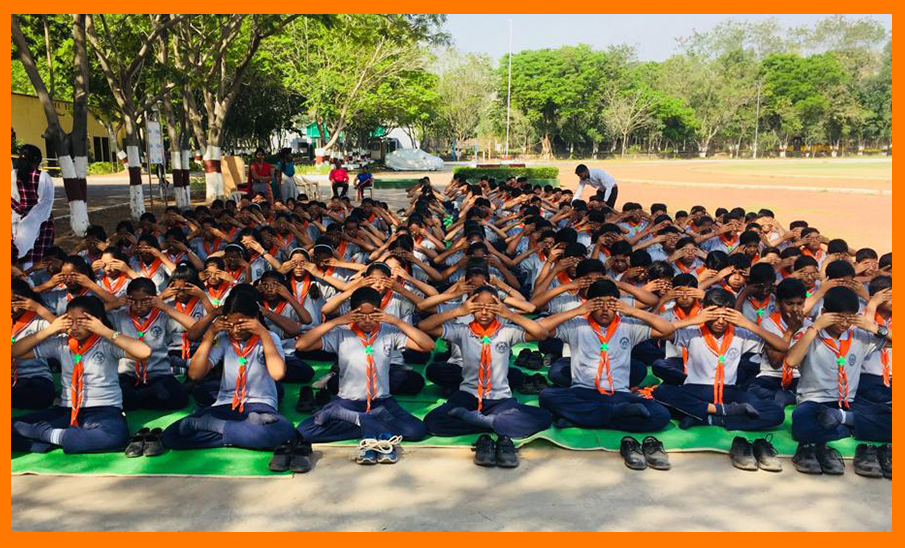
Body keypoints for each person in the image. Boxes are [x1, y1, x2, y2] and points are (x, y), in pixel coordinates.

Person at [536, 280, 675, 470]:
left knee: (661, 415)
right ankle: (613, 414)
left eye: (610, 304)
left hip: (618, 394)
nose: (604, 310)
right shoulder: (576, 325)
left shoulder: (628, 325)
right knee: (546, 396)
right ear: (589, 304)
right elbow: (539, 329)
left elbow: (668, 329)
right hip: (584, 391)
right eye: (598, 304)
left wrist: (632, 310)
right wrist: (577, 310)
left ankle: (580, 417)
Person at [651, 288, 789, 470]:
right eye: (715, 315)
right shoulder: (692, 331)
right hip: (697, 389)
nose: (721, 321)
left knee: (776, 413)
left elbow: (782, 346)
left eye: (726, 316)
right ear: (705, 311)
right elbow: (657, 333)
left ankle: (710, 419)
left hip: (728, 392)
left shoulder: (740, 334)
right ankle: (721, 411)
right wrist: (694, 320)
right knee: (661, 392)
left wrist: (747, 324)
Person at [295, 287, 434, 465]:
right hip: (349, 402)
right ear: (352, 313)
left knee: (416, 430)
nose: (367, 320)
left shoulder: (389, 331)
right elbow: (302, 345)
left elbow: (428, 345)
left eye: (373, 315)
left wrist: (396, 321)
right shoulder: (341, 332)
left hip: (381, 402)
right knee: (306, 431)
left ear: (380, 312)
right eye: (361, 315)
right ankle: (373, 426)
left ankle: (360, 422)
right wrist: (337, 321)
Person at [419, 285, 553, 468]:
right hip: (469, 395)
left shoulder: (506, 331)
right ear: (471, 307)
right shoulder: (462, 331)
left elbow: (542, 333)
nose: (484, 312)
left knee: (544, 416)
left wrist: (509, 314)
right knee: (432, 421)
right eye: (478, 307)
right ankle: (497, 424)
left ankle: (483, 421)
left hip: (499, 399)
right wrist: (458, 311)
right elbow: (424, 326)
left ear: (498, 307)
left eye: (490, 307)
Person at [162, 286, 298, 456]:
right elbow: (195, 374)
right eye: (230, 325)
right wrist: (210, 334)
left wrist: (263, 333)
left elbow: (278, 374)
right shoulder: (224, 339)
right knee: (171, 435)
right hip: (226, 404)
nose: (236, 331)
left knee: (285, 432)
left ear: (254, 319)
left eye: (241, 324)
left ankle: (214, 427)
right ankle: (244, 432)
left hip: (260, 405)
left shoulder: (269, 337)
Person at [11, 295, 151, 454]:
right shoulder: (61, 343)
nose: (74, 327)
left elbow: (144, 352)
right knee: (10, 427)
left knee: (115, 437)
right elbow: (14, 351)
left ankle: (47, 435)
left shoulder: (107, 343)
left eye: (81, 321)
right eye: (70, 321)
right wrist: (50, 329)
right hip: (67, 409)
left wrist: (104, 330)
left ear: (96, 321)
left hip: (103, 410)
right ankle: (59, 440)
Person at [786, 286, 892, 478]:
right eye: (838, 317)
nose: (844, 323)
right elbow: (791, 361)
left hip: (847, 404)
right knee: (802, 428)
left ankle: (844, 420)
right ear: (824, 313)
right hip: (815, 402)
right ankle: (851, 426)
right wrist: (815, 327)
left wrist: (873, 328)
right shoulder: (808, 333)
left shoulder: (859, 336)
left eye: (849, 318)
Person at [110, 278, 196, 411]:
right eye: (134, 301)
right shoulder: (119, 316)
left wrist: (165, 306)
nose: (139, 306)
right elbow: (92, 317)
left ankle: (137, 398)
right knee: (115, 396)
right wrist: (113, 304)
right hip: (128, 375)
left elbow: (194, 326)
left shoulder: (162, 316)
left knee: (180, 399)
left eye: (144, 301)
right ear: (128, 299)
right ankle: (144, 395)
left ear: (153, 299)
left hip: (158, 375)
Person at [746, 278, 809, 409]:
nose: (795, 309)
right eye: (789, 303)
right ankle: (788, 397)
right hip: (772, 375)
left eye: (799, 303)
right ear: (778, 303)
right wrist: (790, 331)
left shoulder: (810, 327)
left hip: (799, 376)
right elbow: (775, 363)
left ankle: (786, 397)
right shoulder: (768, 324)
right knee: (752, 389)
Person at [11, 279, 57, 409]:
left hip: (36, 380)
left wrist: (38, 308)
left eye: (14, 302)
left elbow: (63, 328)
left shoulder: (38, 321)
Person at [12, 144, 55, 266]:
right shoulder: (42, 176)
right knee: (37, 257)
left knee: (18, 254)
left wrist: (20, 210)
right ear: (37, 160)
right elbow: (46, 202)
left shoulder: (11, 176)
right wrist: (31, 218)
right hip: (41, 222)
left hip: (17, 221)